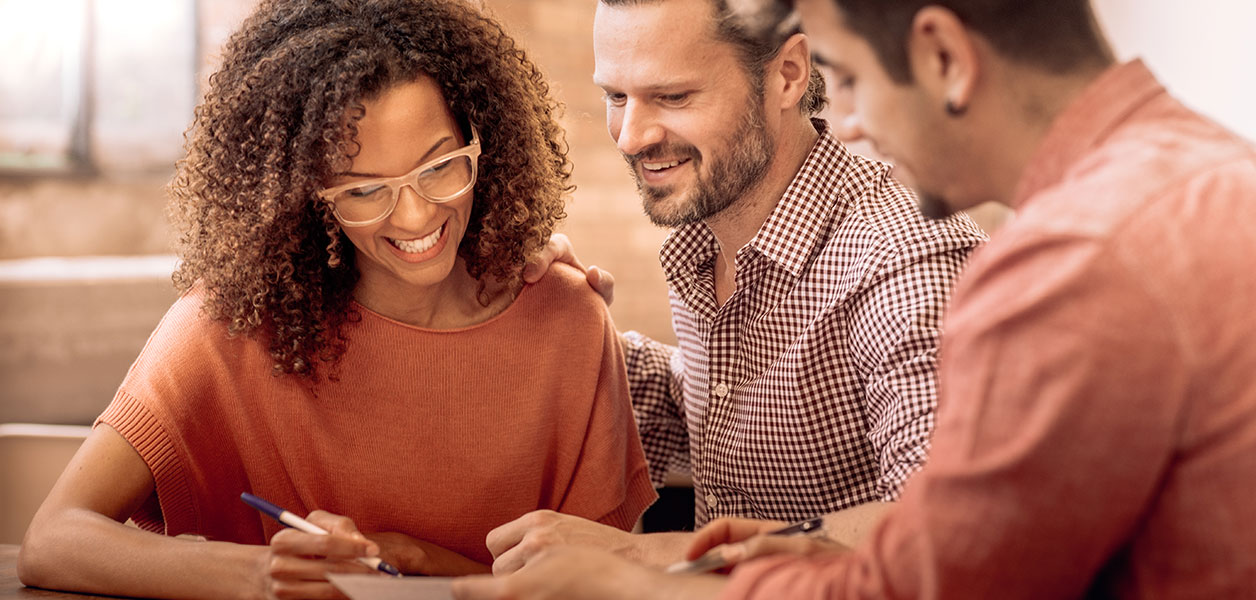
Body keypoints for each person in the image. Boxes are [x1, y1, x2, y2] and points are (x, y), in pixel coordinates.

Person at [452, 0, 1256, 598]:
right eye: (617, 97)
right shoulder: (1198, 176)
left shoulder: (1067, 255)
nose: (856, 125)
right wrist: (550, 322)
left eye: (855, 79)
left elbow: (932, 567)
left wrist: (642, 574)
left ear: (944, 55)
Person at [17, 1, 656, 597]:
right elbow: (53, 538)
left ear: (483, 141)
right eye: (362, 191)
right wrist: (262, 573)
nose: (414, 217)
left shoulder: (569, 321)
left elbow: (602, 585)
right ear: (307, 193)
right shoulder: (233, 326)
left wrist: (423, 561)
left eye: (440, 167)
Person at [486, 0, 985, 573]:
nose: (630, 136)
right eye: (616, 96)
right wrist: (554, 318)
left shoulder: (907, 257)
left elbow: (949, 526)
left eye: (673, 97)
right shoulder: (709, 227)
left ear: (788, 74)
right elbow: (726, 411)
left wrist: (639, 555)